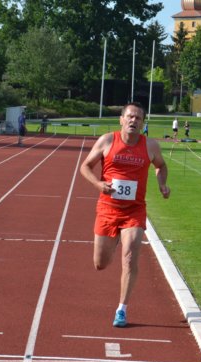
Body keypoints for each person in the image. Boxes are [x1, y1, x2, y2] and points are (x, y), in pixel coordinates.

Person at [80, 102, 170, 327]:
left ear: (143, 123)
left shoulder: (150, 145)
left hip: (134, 211)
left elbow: (161, 166)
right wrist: (98, 184)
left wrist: (162, 185)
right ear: (121, 119)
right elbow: (85, 166)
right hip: (108, 209)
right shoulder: (107, 141)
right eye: (130, 116)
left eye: (138, 118)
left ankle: (121, 309)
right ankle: (115, 240)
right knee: (100, 264)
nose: (133, 120)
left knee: (129, 258)